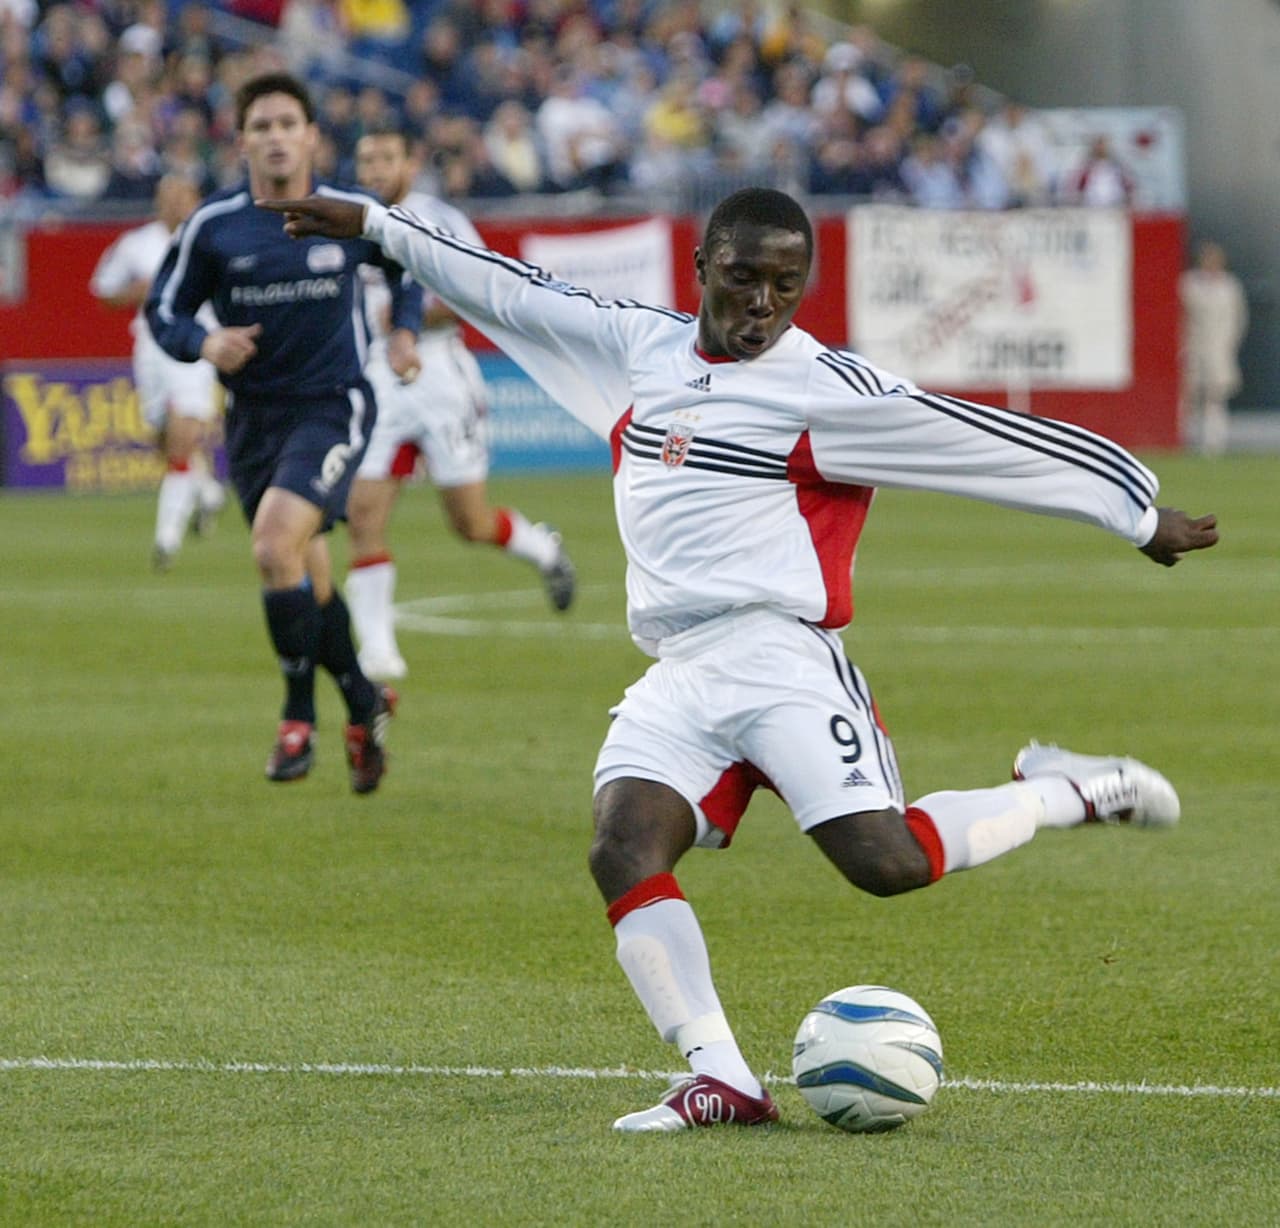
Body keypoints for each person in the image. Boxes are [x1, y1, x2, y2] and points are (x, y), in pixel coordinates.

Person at [260, 186, 1220, 1130]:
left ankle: (1064, 790)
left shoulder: (823, 390)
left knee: (886, 863)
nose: (762, 304)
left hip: (781, 658)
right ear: (702, 268)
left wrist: (1133, 512)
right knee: (622, 847)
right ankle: (722, 1078)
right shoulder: (641, 347)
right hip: (680, 667)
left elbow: (974, 436)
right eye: (743, 279)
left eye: (785, 287)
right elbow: (513, 290)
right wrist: (380, 227)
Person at [146, 71, 425, 794]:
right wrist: (205, 344)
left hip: (333, 405)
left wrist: (404, 332)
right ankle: (362, 700)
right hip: (253, 422)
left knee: (274, 545)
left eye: (287, 124)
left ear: (311, 137)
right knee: (301, 573)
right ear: (240, 141)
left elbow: (409, 264)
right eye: (261, 126)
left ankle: (298, 716)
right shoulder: (214, 226)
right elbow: (163, 311)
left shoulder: (349, 210)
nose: (275, 137)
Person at [344, 124, 577, 682]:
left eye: (386, 158)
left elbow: (483, 291)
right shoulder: (350, 219)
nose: (375, 170)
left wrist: (417, 317)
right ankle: (378, 651)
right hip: (377, 379)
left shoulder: (440, 219)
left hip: (440, 375)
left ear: (410, 162)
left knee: (469, 522)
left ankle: (542, 550)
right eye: (366, 160)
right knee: (363, 514)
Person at [90, 173, 226, 571]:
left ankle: (167, 539)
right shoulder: (136, 244)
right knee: (163, 439)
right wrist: (136, 292)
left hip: (195, 345)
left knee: (183, 437)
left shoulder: (210, 240)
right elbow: (103, 291)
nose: (176, 204)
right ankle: (207, 491)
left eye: (183, 196)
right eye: (169, 196)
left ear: (195, 200)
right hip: (151, 347)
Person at [1179, 239, 1248, 457]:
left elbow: (1238, 319)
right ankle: (1186, 440)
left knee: (1215, 398)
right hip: (1192, 348)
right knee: (1190, 396)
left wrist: (1228, 344)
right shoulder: (1188, 283)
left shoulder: (1230, 286)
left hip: (1219, 349)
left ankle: (1213, 444)